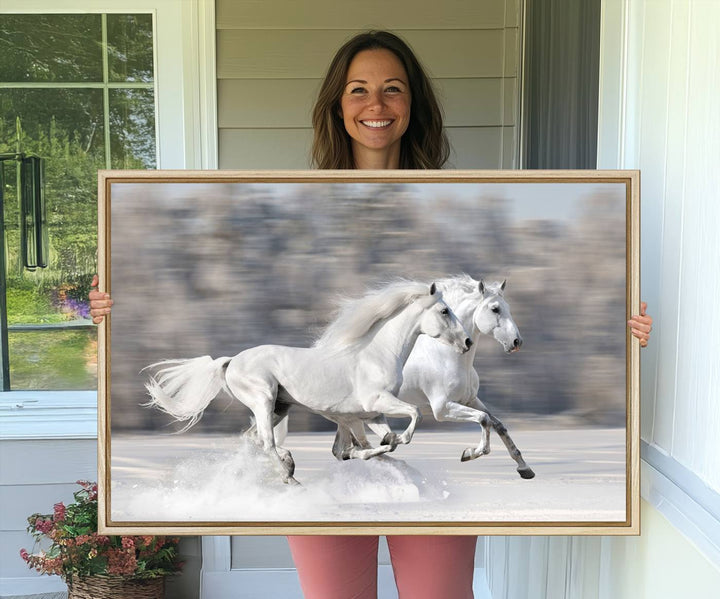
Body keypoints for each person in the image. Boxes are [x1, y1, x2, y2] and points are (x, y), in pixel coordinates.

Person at [90, 30, 653, 599]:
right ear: (338, 105)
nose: (376, 105)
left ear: (413, 105)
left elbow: (483, 312)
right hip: (331, 458)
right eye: (358, 90)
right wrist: (117, 309)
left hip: (434, 478)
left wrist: (623, 328)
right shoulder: (293, 203)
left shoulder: (460, 201)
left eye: (393, 89)